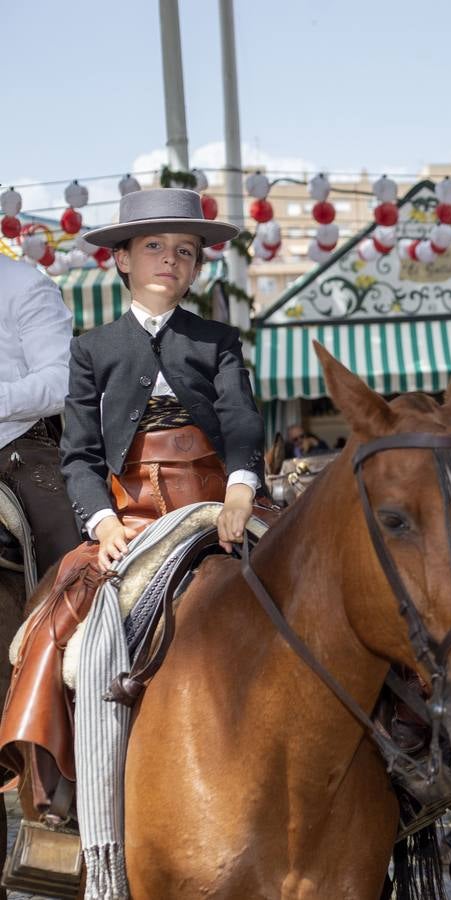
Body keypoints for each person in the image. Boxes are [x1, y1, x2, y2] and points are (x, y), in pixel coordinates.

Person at [0, 188, 265, 829]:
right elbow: (81, 456)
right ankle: (57, 794)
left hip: (216, 501)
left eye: (184, 251)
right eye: (153, 247)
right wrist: (103, 521)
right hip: (132, 513)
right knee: (49, 627)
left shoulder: (219, 340)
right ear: (121, 260)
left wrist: (239, 490)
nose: (169, 260)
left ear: (198, 266)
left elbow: (240, 424)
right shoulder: (93, 349)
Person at [0, 255, 81, 574]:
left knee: (67, 547)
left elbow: (62, 379)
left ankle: (79, 620)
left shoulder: (25, 284)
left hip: (13, 445)